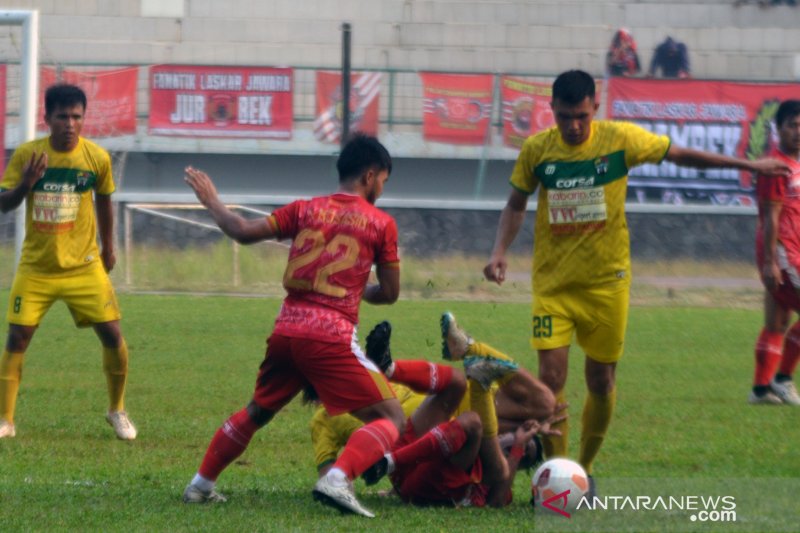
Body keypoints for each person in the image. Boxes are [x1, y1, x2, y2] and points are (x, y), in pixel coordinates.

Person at [483, 70, 791, 486]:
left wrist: (748, 164)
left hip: (608, 285)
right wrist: (499, 251)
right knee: (551, 381)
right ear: (551, 111)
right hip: (553, 288)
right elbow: (516, 203)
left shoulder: (620, 140)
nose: (573, 126)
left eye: (580, 116)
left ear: (595, 106)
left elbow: (680, 154)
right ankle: (554, 474)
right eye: (563, 117)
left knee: (601, 379)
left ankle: (585, 471)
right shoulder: (538, 150)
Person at [181, 133, 404, 519]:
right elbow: (390, 292)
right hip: (330, 336)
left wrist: (213, 201)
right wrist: (361, 289)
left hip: (286, 330)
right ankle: (338, 478)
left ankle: (201, 485)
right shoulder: (381, 224)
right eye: (384, 180)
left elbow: (240, 231)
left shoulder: (305, 209)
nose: (382, 189)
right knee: (391, 418)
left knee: (257, 411)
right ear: (370, 175)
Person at [0, 84, 135, 441]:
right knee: (17, 337)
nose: (70, 124)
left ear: (84, 118)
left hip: (84, 267)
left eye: (77, 116)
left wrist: (109, 247)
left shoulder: (96, 158)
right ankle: (5, 420)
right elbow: (4, 204)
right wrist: (27, 183)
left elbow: (105, 201)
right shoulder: (28, 155)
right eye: (63, 116)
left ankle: (117, 410)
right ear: (47, 118)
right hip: (37, 268)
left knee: (112, 334)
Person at [359, 312, 562, 508]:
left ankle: (471, 351)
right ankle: (388, 368)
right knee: (457, 381)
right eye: (525, 447)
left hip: (417, 470)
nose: (520, 451)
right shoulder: (496, 424)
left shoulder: (497, 473)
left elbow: (498, 500)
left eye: (524, 457)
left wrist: (519, 446)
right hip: (412, 455)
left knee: (480, 426)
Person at [310, 317, 556, 477]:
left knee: (545, 407)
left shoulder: (372, 383)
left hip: (457, 410)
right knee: (541, 408)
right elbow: (329, 476)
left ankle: (463, 352)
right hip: (432, 435)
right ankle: (470, 349)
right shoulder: (325, 419)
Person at [751, 99, 800, 406]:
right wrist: (770, 261)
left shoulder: (796, 164)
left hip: (795, 250)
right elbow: (770, 216)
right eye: (792, 126)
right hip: (783, 251)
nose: (798, 131)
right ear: (778, 129)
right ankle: (782, 379)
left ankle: (761, 390)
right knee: (777, 320)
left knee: (777, 322)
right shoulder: (775, 166)